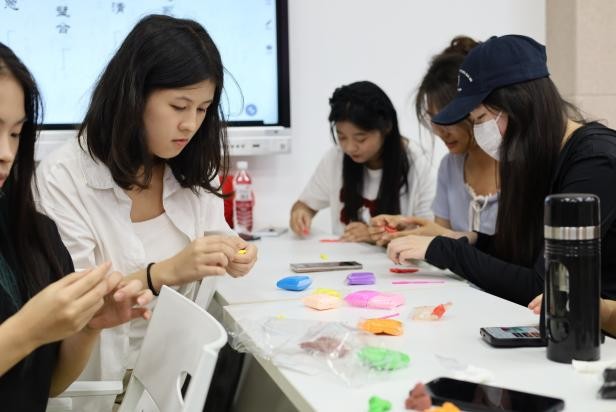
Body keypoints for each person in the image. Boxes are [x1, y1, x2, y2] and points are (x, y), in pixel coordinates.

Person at [35, 15, 257, 409]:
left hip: (161, 387)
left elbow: (217, 235)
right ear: (133, 96)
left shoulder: (191, 167)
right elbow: (72, 306)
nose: (190, 124)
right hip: (86, 394)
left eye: (203, 109)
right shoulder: (63, 178)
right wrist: (162, 273)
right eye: (179, 106)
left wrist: (236, 251)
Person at [386, 35, 616, 307]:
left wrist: (445, 250)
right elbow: (523, 254)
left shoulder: (596, 162)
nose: (480, 132)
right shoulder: (538, 159)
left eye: (481, 119)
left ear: (520, 104)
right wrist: (470, 239)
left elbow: (546, 288)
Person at [0, 43, 153, 411]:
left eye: (16, 134)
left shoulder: (31, 232)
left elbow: (49, 384)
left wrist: (87, 326)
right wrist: (29, 329)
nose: (6, 152)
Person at [370, 36, 499, 246]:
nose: (439, 131)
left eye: (448, 118)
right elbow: (442, 240)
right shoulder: (449, 166)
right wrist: (408, 229)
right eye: (433, 119)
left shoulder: (519, 166)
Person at [289, 81, 435, 242]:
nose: (350, 148)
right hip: (344, 256)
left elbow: (430, 233)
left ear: (387, 127)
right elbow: (305, 205)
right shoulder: (336, 157)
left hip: (396, 257)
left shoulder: (417, 162)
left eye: (360, 138)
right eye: (342, 137)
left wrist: (374, 235)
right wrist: (300, 213)